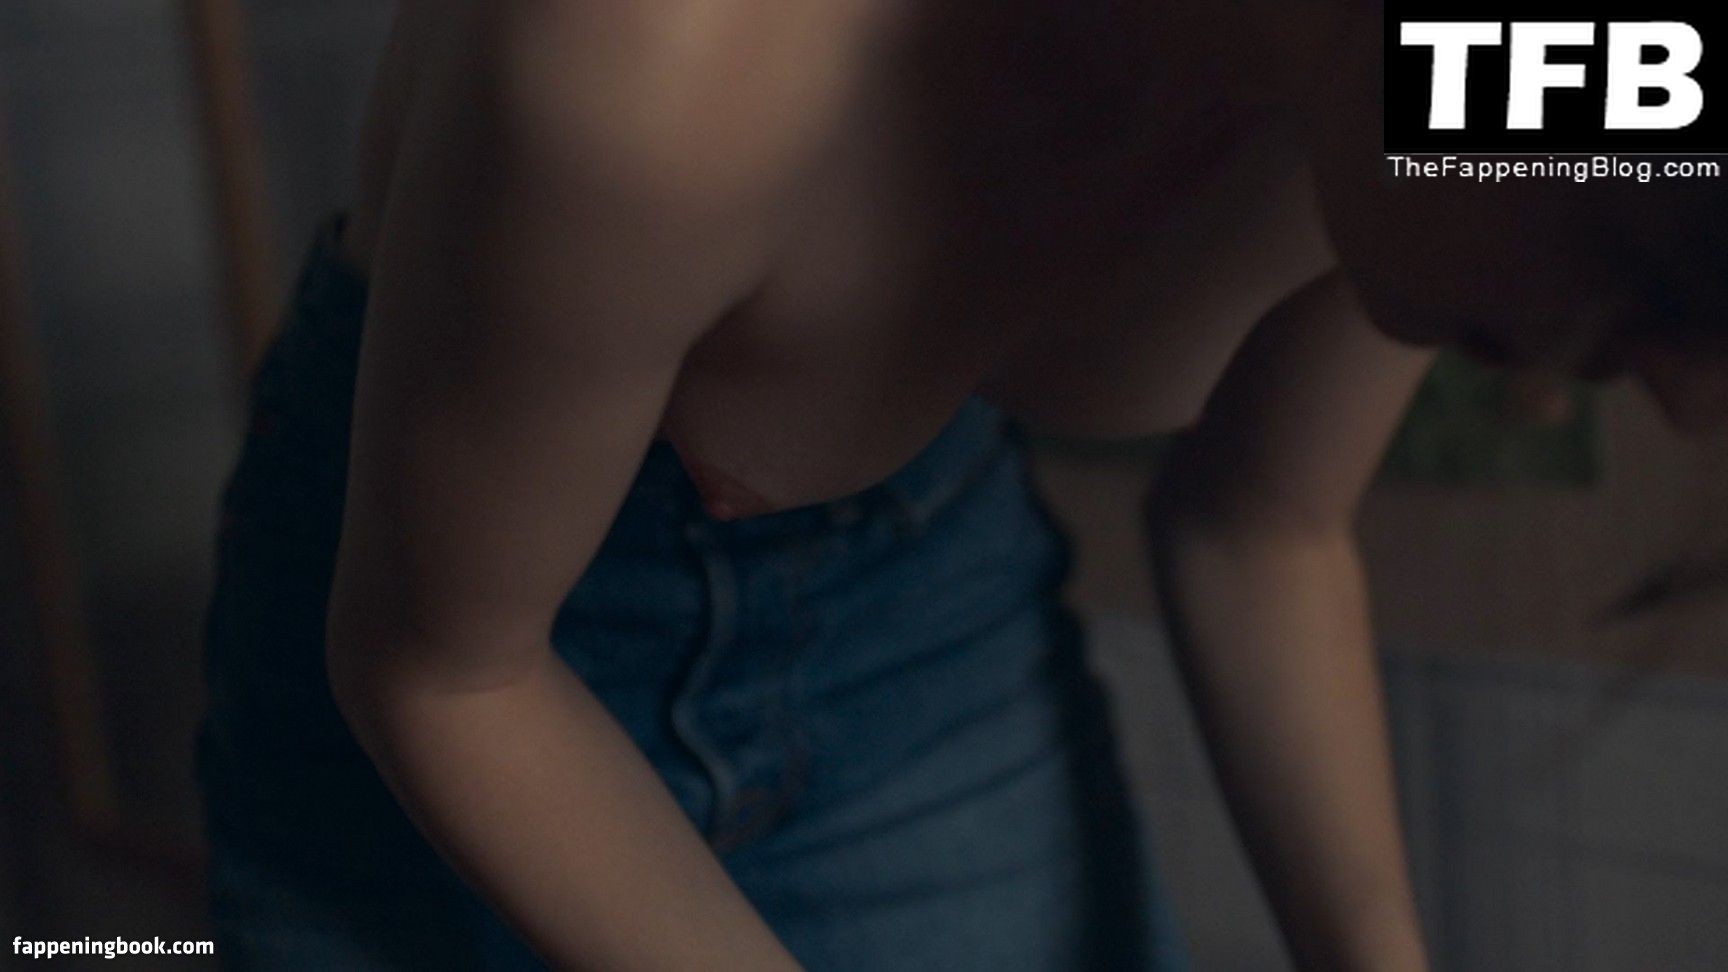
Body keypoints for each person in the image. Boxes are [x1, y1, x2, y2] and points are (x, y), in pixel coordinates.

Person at [195, 1, 1727, 969]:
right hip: (435, 653)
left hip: (912, 616)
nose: (1649, 394)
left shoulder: (1471, 93)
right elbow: (446, 674)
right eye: (1647, 290)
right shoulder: (670, 52)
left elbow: (1263, 529)